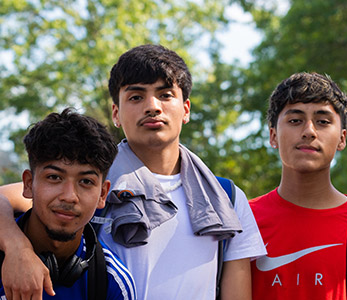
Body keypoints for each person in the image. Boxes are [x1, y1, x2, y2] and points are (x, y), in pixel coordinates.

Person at [0, 44, 266, 300]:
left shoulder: (225, 198)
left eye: (165, 95)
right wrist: (17, 248)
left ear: (186, 109)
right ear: (116, 113)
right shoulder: (88, 182)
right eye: (136, 97)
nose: (152, 106)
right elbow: (6, 199)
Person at [249, 72, 347, 299]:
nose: (309, 131)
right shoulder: (242, 221)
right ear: (273, 136)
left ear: (342, 138)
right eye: (295, 120)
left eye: (323, 121)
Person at [0, 108, 136, 300]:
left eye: (86, 181)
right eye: (54, 177)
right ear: (29, 184)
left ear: (102, 194)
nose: (69, 196)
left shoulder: (111, 283)